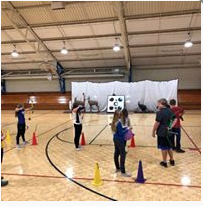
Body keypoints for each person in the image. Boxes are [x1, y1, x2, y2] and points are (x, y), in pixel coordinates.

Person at [152, 98, 177, 168]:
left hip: (162, 133)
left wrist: (153, 131)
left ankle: (164, 162)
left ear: (161, 104)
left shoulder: (159, 112)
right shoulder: (170, 110)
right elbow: (175, 119)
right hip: (169, 132)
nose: (157, 105)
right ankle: (172, 160)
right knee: (169, 147)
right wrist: (170, 126)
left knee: (164, 148)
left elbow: (157, 123)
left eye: (158, 103)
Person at [111, 110, 131, 177]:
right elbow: (121, 133)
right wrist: (127, 129)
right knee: (123, 154)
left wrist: (124, 128)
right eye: (120, 114)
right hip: (120, 140)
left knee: (116, 153)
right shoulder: (119, 123)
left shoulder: (114, 121)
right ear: (119, 115)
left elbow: (118, 131)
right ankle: (123, 172)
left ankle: (117, 168)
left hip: (115, 139)